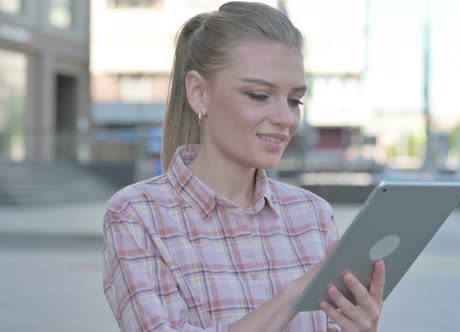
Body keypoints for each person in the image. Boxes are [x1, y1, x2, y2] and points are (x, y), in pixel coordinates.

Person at [102, 2, 385, 331]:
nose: (285, 118)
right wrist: (296, 293)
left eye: (295, 100)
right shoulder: (137, 215)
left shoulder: (313, 216)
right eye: (259, 95)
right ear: (199, 94)